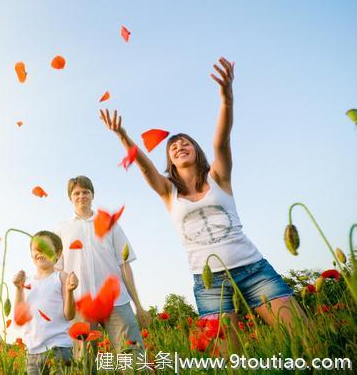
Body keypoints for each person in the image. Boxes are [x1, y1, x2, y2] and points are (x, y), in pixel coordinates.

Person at [99, 57, 305, 341]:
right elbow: (145, 166)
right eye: (172, 146)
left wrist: (226, 98)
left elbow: (222, 141)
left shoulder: (219, 177)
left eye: (185, 142)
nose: (179, 146)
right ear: (170, 161)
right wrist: (122, 135)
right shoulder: (167, 192)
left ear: (196, 150)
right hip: (209, 282)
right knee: (229, 360)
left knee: (303, 337)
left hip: (253, 269)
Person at [55, 175, 146, 354]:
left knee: (132, 355)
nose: (81, 196)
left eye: (86, 192)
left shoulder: (110, 224)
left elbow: (124, 264)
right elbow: (58, 272)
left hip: (116, 301)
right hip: (81, 304)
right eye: (76, 193)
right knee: (85, 363)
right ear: (70, 198)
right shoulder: (61, 229)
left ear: (92, 195)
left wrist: (139, 305)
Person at [13, 231, 79, 375]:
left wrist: (69, 291)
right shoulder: (27, 282)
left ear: (58, 253)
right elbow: (19, 317)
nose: (40, 252)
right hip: (33, 352)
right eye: (37, 249)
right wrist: (19, 289)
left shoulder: (61, 277)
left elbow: (69, 315)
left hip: (59, 349)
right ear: (31, 255)